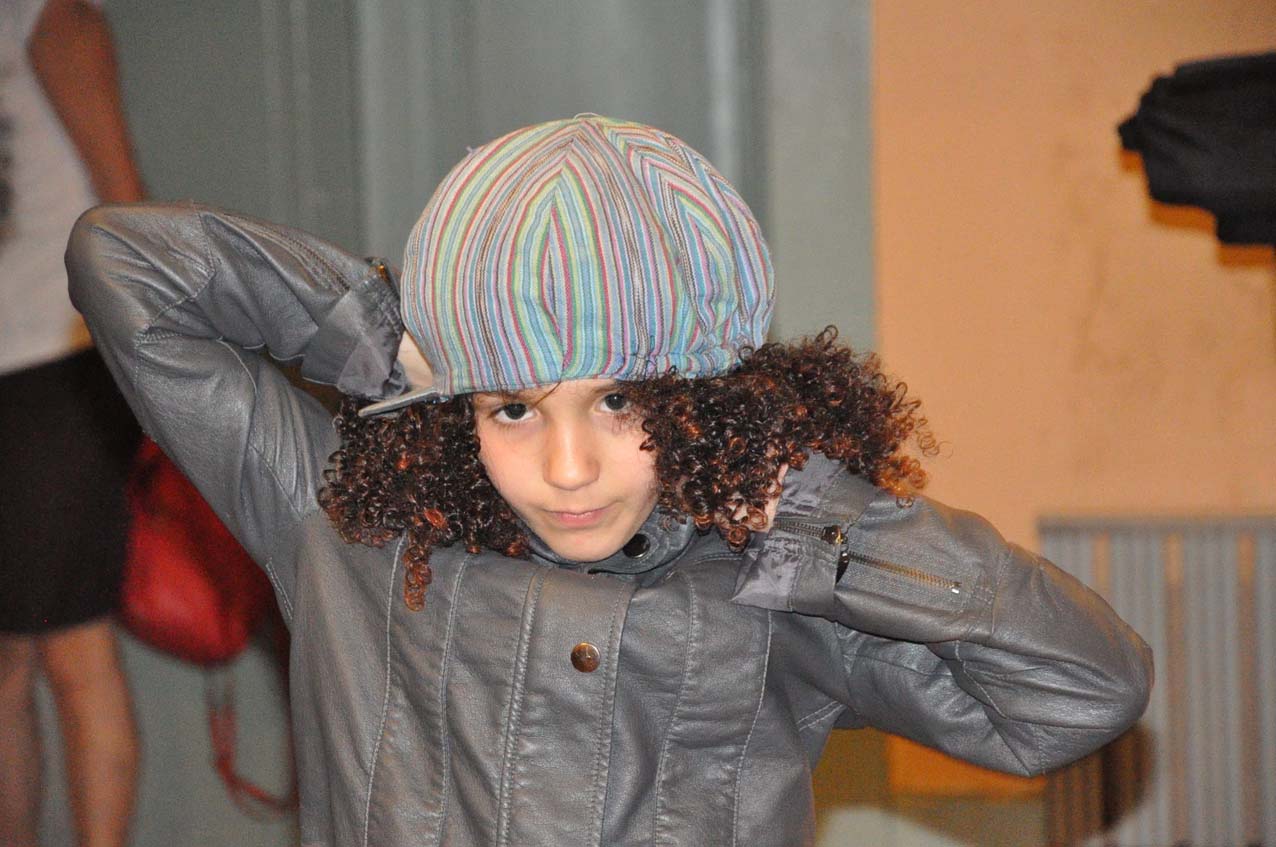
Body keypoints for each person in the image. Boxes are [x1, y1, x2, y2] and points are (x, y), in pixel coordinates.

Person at [67, 115, 1153, 846]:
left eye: (621, 399)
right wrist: (397, 340)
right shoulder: (346, 524)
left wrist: (818, 513)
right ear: (456, 402)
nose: (568, 466)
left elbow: (1080, 695)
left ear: (704, 398)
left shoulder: (771, 582)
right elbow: (125, 263)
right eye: (512, 406)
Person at [0, 2, 143, 845]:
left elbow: (124, 202)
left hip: (60, 360)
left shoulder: (46, 16)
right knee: (5, 663)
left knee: (72, 652)